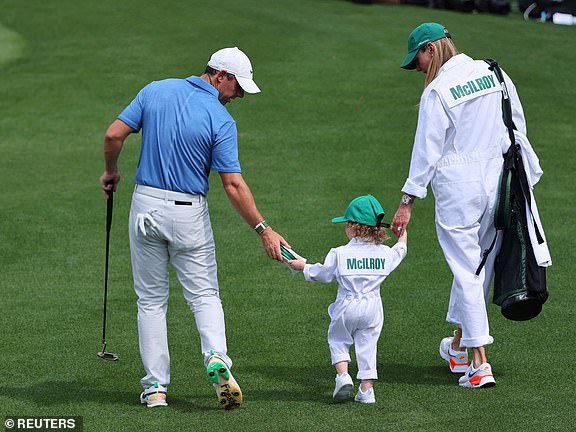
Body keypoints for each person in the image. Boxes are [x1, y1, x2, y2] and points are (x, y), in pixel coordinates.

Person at [99, 47, 289, 409]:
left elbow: (113, 136)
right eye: (238, 88)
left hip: (145, 208)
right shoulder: (220, 119)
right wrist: (263, 228)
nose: (239, 97)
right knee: (203, 295)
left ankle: (155, 387)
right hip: (188, 214)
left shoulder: (155, 90)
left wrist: (111, 171)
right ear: (221, 76)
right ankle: (216, 357)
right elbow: (232, 185)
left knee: (151, 301)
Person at [391, 23, 530, 388]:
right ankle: (456, 347)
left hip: (458, 187)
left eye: (417, 58)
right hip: (498, 182)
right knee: (478, 265)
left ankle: (479, 362)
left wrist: (407, 201)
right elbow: (517, 127)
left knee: (467, 271)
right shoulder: (493, 72)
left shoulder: (437, 91)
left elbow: (426, 151)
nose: (417, 67)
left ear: (432, 49)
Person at [288, 195, 407, 403]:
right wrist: (402, 233)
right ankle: (366, 390)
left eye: (346, 224)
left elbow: (323, 274)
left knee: (338, 339)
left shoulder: (340, 253)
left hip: (347, 304)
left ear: (354, 227)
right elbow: (401, 250)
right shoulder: (384, 254)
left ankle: (343, 375)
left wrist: (303, 266)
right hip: (373, 307)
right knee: (369, 344)